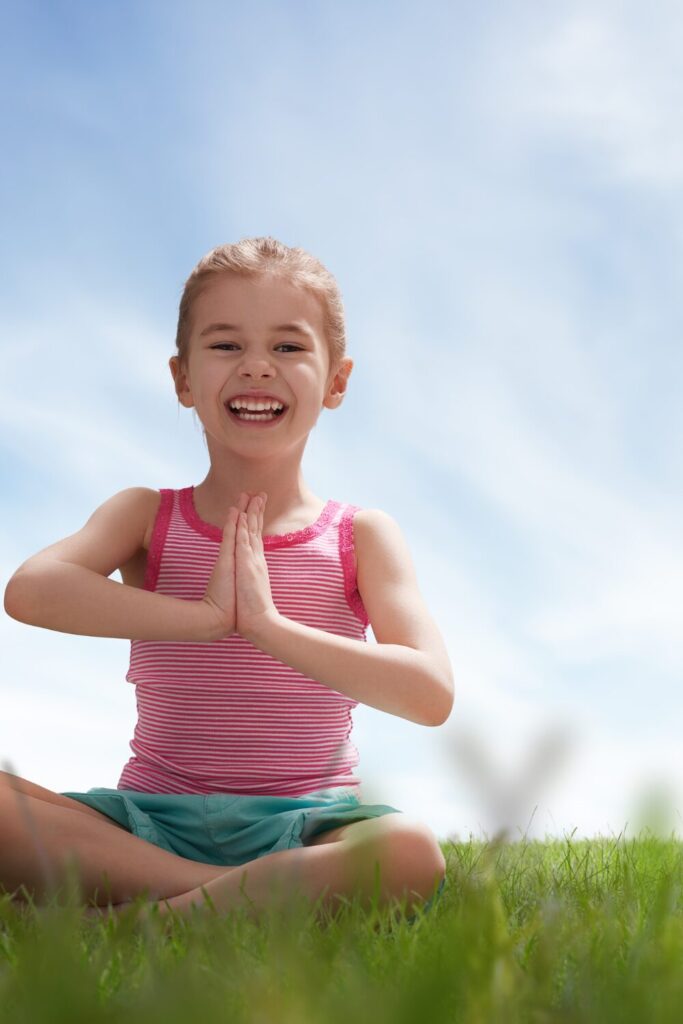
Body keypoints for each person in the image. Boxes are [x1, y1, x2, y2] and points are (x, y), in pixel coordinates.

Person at [2, 236, 454, 925]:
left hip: (307, 827)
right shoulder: (146, 514)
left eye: (287, 347)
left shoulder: (359, 534)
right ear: (183, 378)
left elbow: (429, 694)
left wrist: (268, 628)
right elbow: (31, 591)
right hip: (148, 820)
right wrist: (207, 617)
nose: (255, 368)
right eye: (224, 346)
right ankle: (226, 894)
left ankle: (143, 918)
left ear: (336, 381)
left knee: (408, 852)